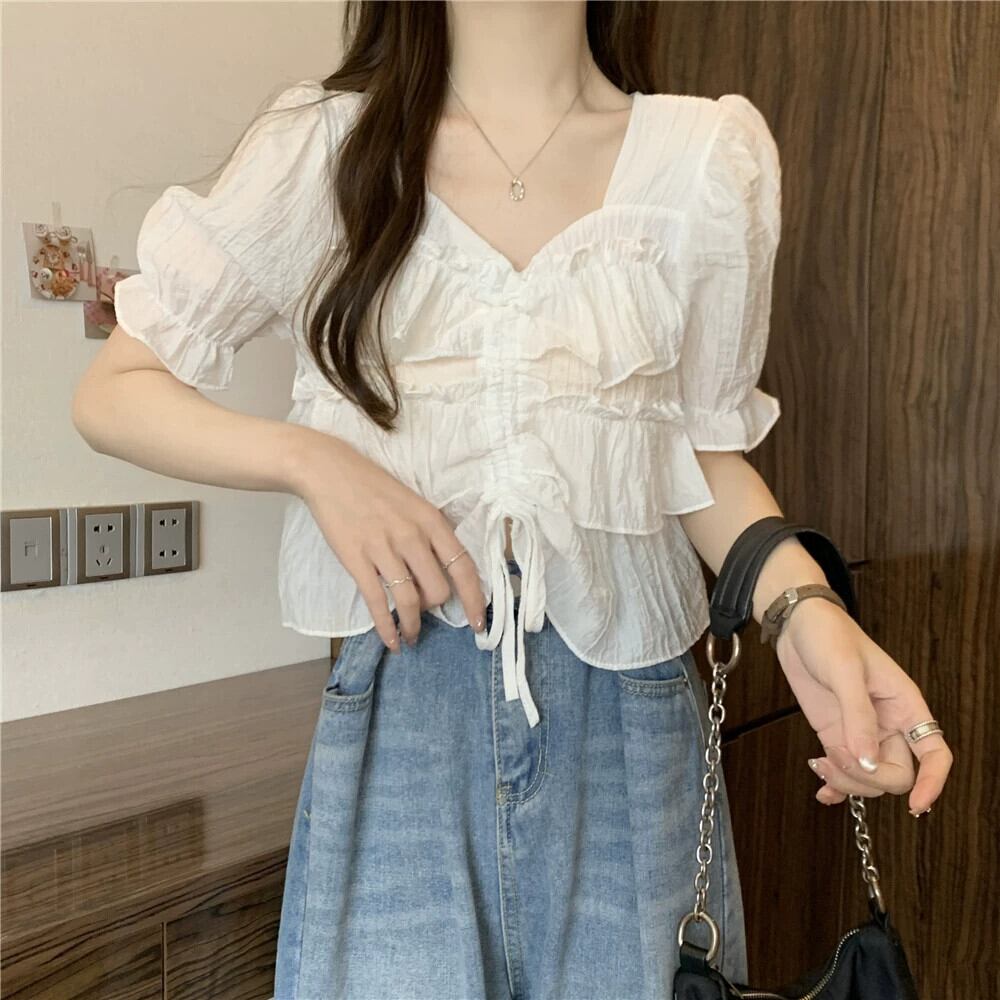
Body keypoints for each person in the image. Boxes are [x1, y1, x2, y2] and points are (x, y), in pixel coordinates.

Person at [73, 3, 953, 998]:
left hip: (629, 734)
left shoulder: (704, 161)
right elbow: (115, 392)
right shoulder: (322, 150)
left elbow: (697, 453)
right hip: (402, 722)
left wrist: (805, 608)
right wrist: (315, 462)